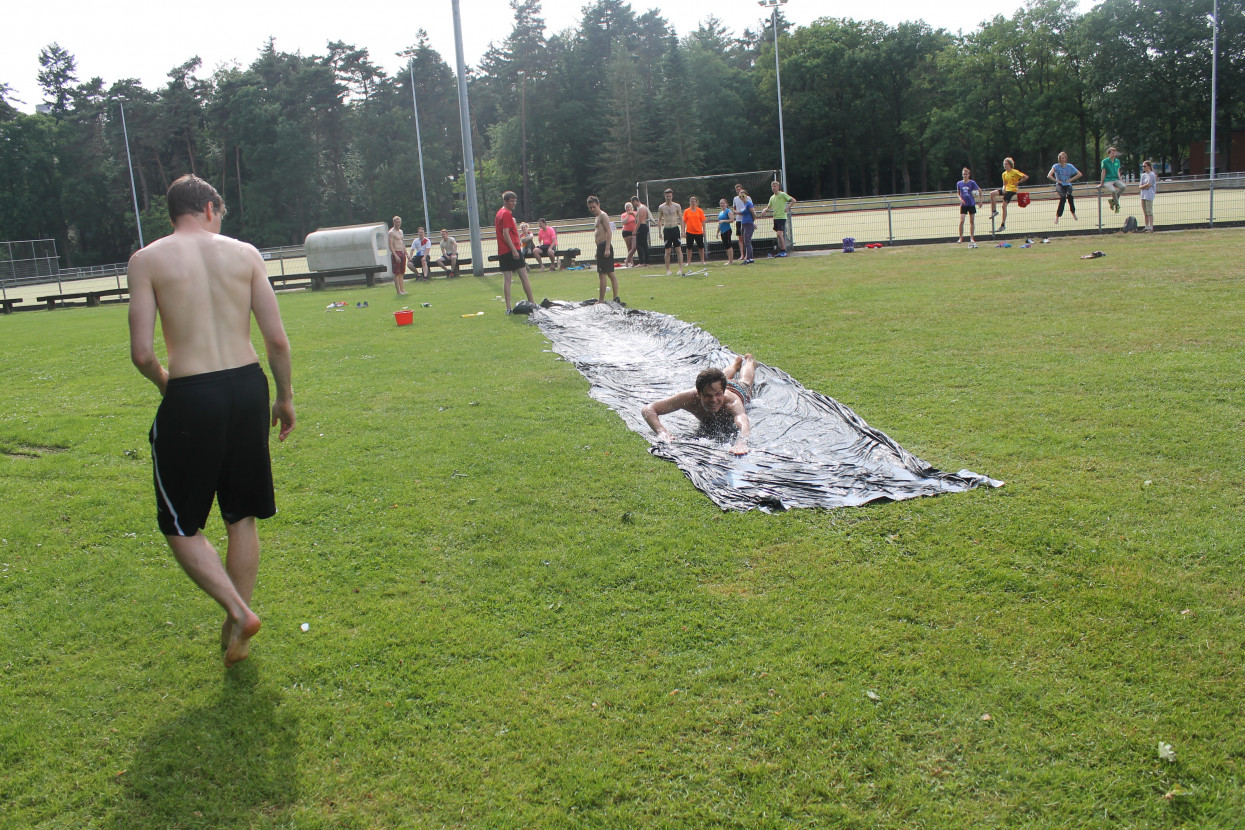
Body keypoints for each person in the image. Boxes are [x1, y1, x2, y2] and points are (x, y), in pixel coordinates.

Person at [127, 174, 295, 668]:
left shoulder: (147, 260)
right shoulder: (244, 254)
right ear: (209, 206)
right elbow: (278, 340)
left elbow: (141, 353)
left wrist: (167, 383)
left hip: (192, 391)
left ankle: (238, 612)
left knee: (180, 523)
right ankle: (234, 622)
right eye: (219, 211)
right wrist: (285, 398)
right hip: (247, 387)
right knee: (240, 515)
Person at [640, 354, 757, 456]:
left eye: (718, 395)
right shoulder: (688, 398)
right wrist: (662, 431)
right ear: (699, 393)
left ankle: (749, 361)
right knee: (721, 377)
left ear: (723, 391)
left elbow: (743, 420)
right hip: (719, 386)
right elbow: (648, 409)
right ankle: (736, 364)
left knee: (745, 381)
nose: (714, 400)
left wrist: (741, 442)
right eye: (707, 395)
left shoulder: (732, 402)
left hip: (738, 389)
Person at [495, 191, 536, 312]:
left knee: (507, 279)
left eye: (515, 201)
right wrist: (514, 250)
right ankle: (532, 303)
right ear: (505, 201)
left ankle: (508, 307)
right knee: (524, 276)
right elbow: (505, 233)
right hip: (511, 250)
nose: (514, 203)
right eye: (511, 201)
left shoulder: (499, 213)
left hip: (502, 251)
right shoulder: (506, 214)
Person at [587, 196, 621, 304]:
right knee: (607, 273)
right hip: (600, 247)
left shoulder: (603, 215)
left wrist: (607, 248)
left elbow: (609, 231)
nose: (592, 209)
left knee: (605, 274)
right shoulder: (597, 217)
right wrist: (598, 251)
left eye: (594, 207)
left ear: (598, 205)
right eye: (590, 207)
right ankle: (613, 298)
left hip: (604, 246)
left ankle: (604, 299)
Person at [988, 157, 1028, 232]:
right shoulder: (1004, 174)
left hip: (1012, 190)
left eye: (1006, 164)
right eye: (1004, 164)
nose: (1004, 165)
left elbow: (1026, 177)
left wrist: (1018, 182)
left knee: (1004, 205)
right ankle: (994, 211)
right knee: (992, 194)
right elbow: (1004, 183)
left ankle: (1002, 225)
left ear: (1010, 164)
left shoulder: (1015, 172)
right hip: (1006, 189)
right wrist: (1003, 188)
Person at [761, 179, 797, 256]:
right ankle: (781, 250)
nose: (773, 187)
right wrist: (765, 210)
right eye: (772, 186)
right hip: (776, 217)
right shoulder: (772, 197)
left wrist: (788, 208)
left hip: (782, 217)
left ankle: (783, 251)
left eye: (774, 186)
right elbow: (769, 206)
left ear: (778, 187)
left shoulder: (782, 194)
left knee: (779, 234)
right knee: (779, 234)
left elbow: (793, 200)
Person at [1047, 151, 1082, 224]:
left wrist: (1070, 180)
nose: (1064, 159)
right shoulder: (1056, 166)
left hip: (1068, 184)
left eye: (1065, 157)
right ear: (1059, 159)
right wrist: (1057, 180)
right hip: (1060, 185)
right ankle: (1057, 216)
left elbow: (1079, 174)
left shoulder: (1069, 166)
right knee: (1063, 197)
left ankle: (1073, 212)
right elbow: (1049, 175)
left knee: (1070, 196)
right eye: (1062, 158)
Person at [657, 188, 686, 275]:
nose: (668, 198)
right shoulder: (661, 207)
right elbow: (659, 220)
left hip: (675, 228)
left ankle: (680, 268)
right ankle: (668, 270)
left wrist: (682, 230)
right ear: (664, 196)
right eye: (667, 196)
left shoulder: (677, 206)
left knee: (678, 249)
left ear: (672, 196)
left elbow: (681, 218)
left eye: (669, 196)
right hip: (667, 229)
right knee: (667, 251)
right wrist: (659, 232)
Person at [955, 167, 981, 247]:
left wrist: (981, 200)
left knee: (972, 221)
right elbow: (958, 193)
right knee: (962, 220)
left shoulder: (972, 183)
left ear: (969, 175)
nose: (965, 175)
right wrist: (961, 200)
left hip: (971, 204)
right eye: (963, 174)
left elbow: (979, 190)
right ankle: (960, 237)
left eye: (966, 174)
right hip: (964, 205)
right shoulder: (959, 183)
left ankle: (972, 238)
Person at [1098, 146, 1125, 214]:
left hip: (1115, 179)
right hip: (1107, 180)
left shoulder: (1117, 161)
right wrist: (1101, 183)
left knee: (1123, 187)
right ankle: (1117, 205)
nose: (1114, 154)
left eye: (1114, 153)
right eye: (1112, 153)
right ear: (1109, 154)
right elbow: (1103, 172)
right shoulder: (1104, 161)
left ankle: (1113, 201)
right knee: (1113, 190)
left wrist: (1120, 180)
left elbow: (1118, 172)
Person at [682, 196, 708, 269]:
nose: (693, 202)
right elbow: (684, 221)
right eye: (691, 201)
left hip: (699, 231)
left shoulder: (700, 211)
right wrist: (683, 231)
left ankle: (702, 261)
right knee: (689, 247)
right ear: (689, 202)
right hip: (689, 232)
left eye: (694, 201)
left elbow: (703, 221)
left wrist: (704, 230)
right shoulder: (686, 211)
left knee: (701, 247)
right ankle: (688, 262)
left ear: (697, 202)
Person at [388, 216, 408, 295]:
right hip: (396, 252)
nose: (398, 224)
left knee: (401, 272)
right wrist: (395, 255)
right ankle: (398, 291)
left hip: (402, 252)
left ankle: (402, 289)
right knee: (397, 273)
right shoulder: (391, 232)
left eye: (399, 222)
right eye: (397, 222)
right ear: (394, 223)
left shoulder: (401, 231)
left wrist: (406, 252)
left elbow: (402, 243)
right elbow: (390, 245)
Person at [737, 189, 756, 264]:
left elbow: (754, 214)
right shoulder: (744, 205)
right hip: (744, 223)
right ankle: (751, 258)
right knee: (746, 241)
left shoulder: (749, 204)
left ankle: (747, 259)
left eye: (743, 196)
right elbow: (742, 213)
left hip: (748, 223)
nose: (742, 197)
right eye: (740, 196)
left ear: (746, 196)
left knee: (747, 241)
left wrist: (752, 222)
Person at [1138, 159, 1157, 232]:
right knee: (1145, 212)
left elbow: (1149, 185)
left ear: (1148, 166)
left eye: (1144, 166)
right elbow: (1140, 186)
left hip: (1149, 195)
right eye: (1142, 166)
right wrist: (1144, 186)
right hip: (1143, 195)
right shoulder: (1143, 175)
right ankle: (1146, 226)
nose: (1143, 167)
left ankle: (1151, 227)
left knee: (1149, 212)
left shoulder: (1152, 175)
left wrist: (1143, 186)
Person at [632, 197, 652, 266]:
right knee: (644, 244)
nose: (633, 204)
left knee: (639, 245)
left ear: (635, 201)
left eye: (633, 202)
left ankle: (641, 262)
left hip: (642, 227)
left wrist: (635, 230)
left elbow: (640, 221)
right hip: (644, 226)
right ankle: (646, 262)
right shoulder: (643, 207)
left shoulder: (641, 208)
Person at [731, 184, 747, 261]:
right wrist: (737, 212)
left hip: (746, 220)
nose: (738, 191)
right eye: (737, 190)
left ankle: (747, 254)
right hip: (739, 220)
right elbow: (734, 209)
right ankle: (742, 255)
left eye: (739, 190)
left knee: (746, 237)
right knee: (740, 237)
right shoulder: (735, 199)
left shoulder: (748, 198)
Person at [717, 199, 735, 265]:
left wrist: (724, 221)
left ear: (726, 204)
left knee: (729, 245)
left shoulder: (728, 211)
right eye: (721, 203)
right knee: (726, 246)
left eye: (723, 203)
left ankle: (731, 261)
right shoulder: (720, 212)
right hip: (722, 231)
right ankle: (729, 260)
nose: (722, 204)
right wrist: (717, 232)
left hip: (727, 230)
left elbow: (732, 220)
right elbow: (719, 223)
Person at [621, 202, 638, 267]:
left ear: (632, 207)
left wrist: (632, 214)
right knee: (629, 247)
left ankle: (627, 259)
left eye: (629, 207)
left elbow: (637, 220)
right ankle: (631, 263)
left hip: (634, 232)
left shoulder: (635, 213)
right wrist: (628, 215)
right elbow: (624, 223)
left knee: (634, 247)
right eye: (627, 207)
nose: (628, 208)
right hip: (626, 232)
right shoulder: (623, 215)